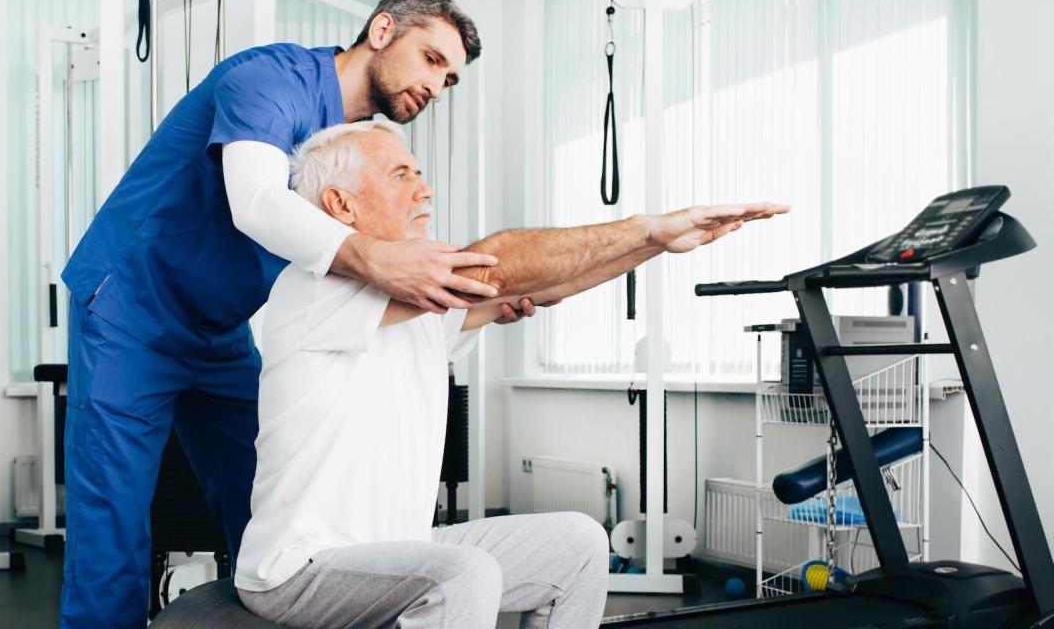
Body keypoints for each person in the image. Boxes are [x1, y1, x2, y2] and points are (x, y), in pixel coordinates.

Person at [57, 0, 508, 627]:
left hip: (218, 327)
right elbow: (257, 201)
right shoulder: (269, 79)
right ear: (382, 30)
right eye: (431, 59)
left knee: (275, 509)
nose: (436, 85)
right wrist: (378, 260)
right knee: (113, 518)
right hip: (131, 312)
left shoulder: (353, 141)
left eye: (449, 77)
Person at [234, 120, 788, 627]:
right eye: (401, 175)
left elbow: (539, 285)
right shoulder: (311, 290)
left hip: (399, 548)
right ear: (342, 205)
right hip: (301, 570)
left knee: (578, 543)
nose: (423, 190)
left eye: (421, 175)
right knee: (463, 574)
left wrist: (654, 245)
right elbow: (500, 264)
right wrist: (647, 227)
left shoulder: (417, 306)